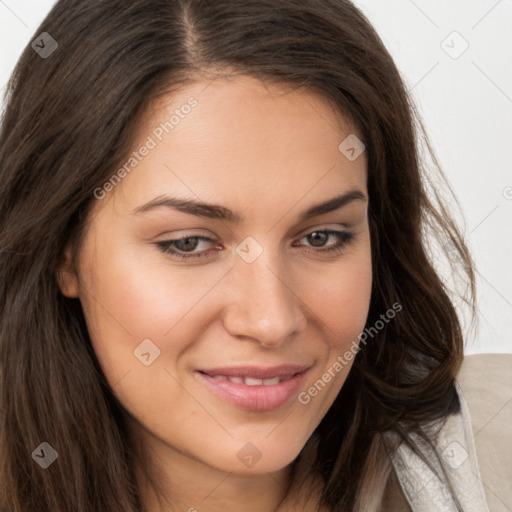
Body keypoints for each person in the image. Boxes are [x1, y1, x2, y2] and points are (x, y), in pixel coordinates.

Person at [0, 1, 503, 511]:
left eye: (322, 237)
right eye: (189, 243)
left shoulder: (495, 439)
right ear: (62, 251)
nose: (271, 321)